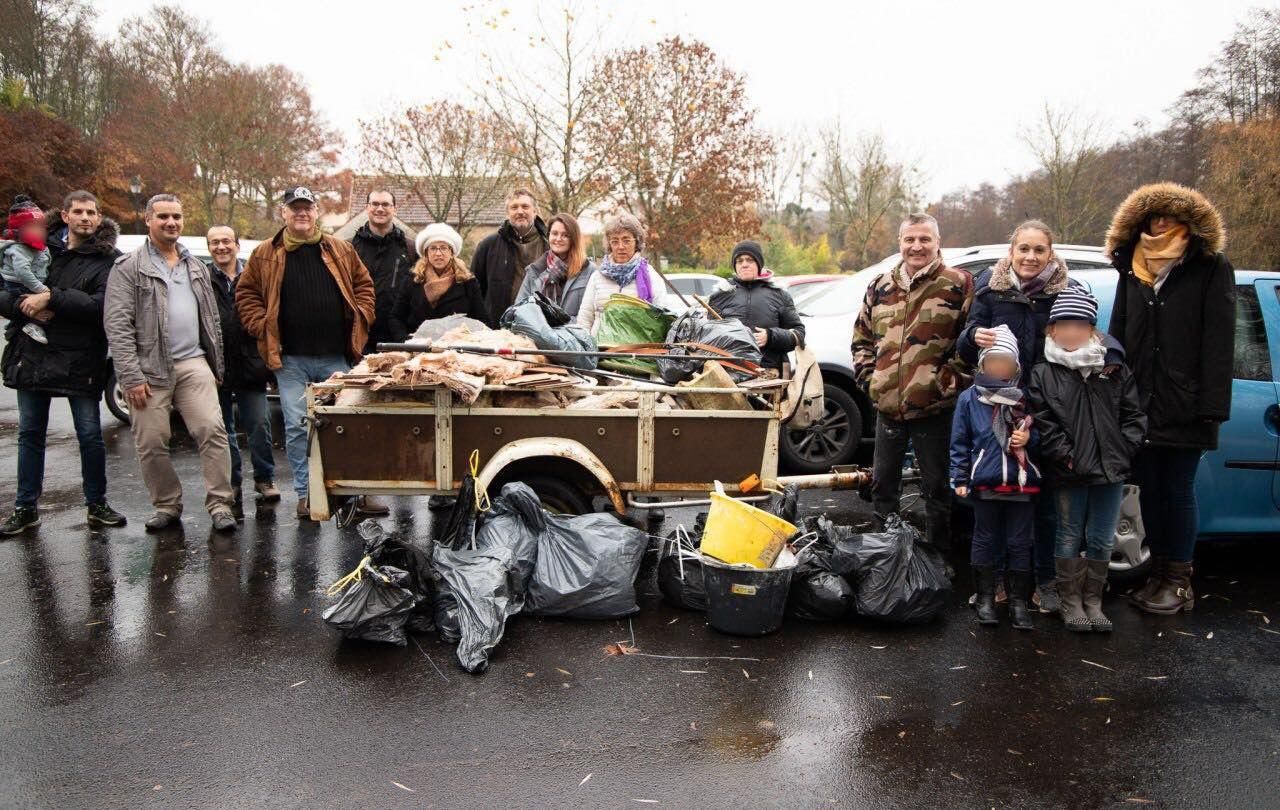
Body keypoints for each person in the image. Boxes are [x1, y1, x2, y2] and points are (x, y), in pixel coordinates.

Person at [1105, 182, 1235, 615]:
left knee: (1178, 490)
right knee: (1150, 493)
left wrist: (1212, 407)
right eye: (1152, 216)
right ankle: (1157, 575)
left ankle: (1178, 583)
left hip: (1185, 402)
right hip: (1139, 403)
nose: (1159, 222)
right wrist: (1113, 391)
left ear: (1186, 221)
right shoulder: (1132, 267)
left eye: (1167, 215)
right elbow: (1119, 333)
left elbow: (1219, 341)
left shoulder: (1208, 266)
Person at [957, 220, 1085, 613]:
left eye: (1039, 250)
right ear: (1011, 252)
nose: (1030, 257)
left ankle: (1042, 582)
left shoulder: (1067, 291)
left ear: (1051, 253)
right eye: (1023, 249)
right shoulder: (990, 289)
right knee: (997, 497)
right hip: (998, 406)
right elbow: (966, 345)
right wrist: (971, 338)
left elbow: (1081, 341)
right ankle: (995, 581)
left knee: (1042, 502)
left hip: (1046, 408)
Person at [237, 186, 376, 520]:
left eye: (307, 208)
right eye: (294, 208)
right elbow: (246, 294)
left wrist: (361, 318)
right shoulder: (265, 254)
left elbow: (365, 287)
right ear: (283, 213)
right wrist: (262, 326)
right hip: (291, 360)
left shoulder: (340, 249)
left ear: (317, 212)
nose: (301, 213)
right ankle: (306, 495)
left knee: (344, 426)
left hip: (336, 357)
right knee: (299, 427)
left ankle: (350, 493)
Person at [103, 194, 236, 533]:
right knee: (151, 442)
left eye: (176, 216)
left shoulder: (195, 266)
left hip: (194, 363)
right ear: (148, 220)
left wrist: (215, 366)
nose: (171, 223)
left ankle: (221, 504)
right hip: (149, 370)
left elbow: (211, 321)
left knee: (212, 430)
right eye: (163, 216)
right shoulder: (128, 267)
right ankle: (166, 506)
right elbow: (117, 325)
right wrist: (130, 376)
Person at [0, 190, 127, 535]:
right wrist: (26, 306)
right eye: (79, 211)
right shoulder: (34, 247)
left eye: (92, 212)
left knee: (89, 434)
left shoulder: (110, 259)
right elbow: (5, 291)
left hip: (80, 358)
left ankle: (97, 504)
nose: (85, 217)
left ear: (99, 218)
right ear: (66, 216)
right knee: (30, 434)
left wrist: (52, 298)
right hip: (32, 353)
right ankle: (25, 508)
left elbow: (102, 306)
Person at [852, 213, 973, 556]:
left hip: (935, 408)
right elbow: (861, 338)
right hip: (888, 406)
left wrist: (946, 383)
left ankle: (939, 557)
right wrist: (870, 380)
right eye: (910, 240)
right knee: (883, 486)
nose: (916, 246)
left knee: (937, 488)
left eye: (924, 239)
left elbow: (972, 345)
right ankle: (885, 557)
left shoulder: (958, 285)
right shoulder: (880, 286)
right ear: (900, 243)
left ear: (938, 242)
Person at [1029, 289, 1146, 633]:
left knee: (1101, 536)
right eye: (1064, 325)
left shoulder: (1112, 368)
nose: (1071, 332)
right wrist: (1066, 457)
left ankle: (1093, 601)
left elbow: (1133, 415)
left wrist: (1124, 450)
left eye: (1080, 325)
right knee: (1068, 534)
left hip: (1111, 468)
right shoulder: (1043, 373)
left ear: (1093, 330)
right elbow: (1044, 423)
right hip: (1070, 471)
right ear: (1051, 330)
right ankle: (1071, 602)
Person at [949, 325, 1040, 629]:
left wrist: (1030, 440)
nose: (999, 367)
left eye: (1006, 362)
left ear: (1016, 366)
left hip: (1021, 481)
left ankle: (1018, 602)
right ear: (983, 363)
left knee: (1019, 541)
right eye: (993, 361)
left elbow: (1043, 435)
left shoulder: (1026, 398)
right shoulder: (969, 399)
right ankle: (986, 596)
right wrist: (960, 478)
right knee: (985, 538)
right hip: (985, 480)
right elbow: (960, 443)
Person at [207, 225, 279, 515]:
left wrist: (271, 364)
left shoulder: (254, 275)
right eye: (215, 243)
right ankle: (232, 482)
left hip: (252, 363)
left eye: (226, 241)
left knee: (259, 424)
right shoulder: (202, 278)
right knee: (221, 431)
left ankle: (264, 478)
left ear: (237, 245)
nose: (221, 247)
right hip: (217, 366)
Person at [708, 239, 805, 370]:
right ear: (735, 265)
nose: (744, 264)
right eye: (739, 261)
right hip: (728, 374)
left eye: (750, 260)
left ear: (759, 265)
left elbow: (799, 335)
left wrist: (771, 337)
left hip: (769, 375)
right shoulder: (720, 296)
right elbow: (707, 337)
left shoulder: (780, 295)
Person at [577, 212, 671, 336]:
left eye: (626, 240)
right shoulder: (597, 277)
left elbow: (662, 319)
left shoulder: (650, 276)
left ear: (636, 242)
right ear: (609, 244)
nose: (620, 246)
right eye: (615, 241)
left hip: (637, 352)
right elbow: (585, 318)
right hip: (599, 351)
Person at [388, 223, 486, 340]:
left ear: (451, 253)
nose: (438, 253)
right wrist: (405, 341)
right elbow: (396, 317)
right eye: (433, 248)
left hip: (455, 349)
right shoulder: (412, 280)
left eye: (443, 248)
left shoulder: (467, 282)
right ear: (426, 253)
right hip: (418, 349)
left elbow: (482, 319)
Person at [350, 189, 417, 352]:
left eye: (386, 204)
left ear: (394, 209)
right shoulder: (349, 248)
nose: (380, 209)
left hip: (400, 338)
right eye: (375, 204)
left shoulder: (411, 249)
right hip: (361, 337)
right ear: (367, 207)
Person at [472, 188, 548, 326]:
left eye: (525, 206)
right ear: (507, 213)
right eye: (514, 207)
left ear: (535, 211)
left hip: (542, 325)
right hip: (498, 328)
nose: (520, 211)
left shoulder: (549, 245)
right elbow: (474, 290)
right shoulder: (488, 246)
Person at [514, 212, 596, 317]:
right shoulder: (534, 271)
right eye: (555, 233)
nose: (558, 239)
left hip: (574, 332)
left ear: (574, 239)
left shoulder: (589, 271)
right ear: (549, 236)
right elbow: (519, 310)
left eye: (565, 235)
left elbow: (593, 315)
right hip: (540, 332)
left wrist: (562, 326)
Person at [1, 194, 53, 345]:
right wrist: (42, 289)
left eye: (40, 226)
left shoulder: (38, 247)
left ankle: (16, 325)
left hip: (30, 281)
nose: (38, 230)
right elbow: (22, 272)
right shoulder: (20, 249)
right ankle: (32, 325)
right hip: (18, 283)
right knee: (35, 305)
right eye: (32, 226)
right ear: (18, 230)